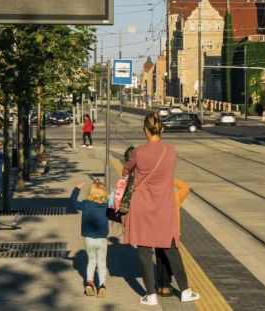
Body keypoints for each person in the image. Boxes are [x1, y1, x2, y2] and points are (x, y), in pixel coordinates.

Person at [122, 112, 199, 306]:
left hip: (142, 206)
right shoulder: (171, 150)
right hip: (164, 207)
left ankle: (151, 294)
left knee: (144, 250)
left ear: (145, 130)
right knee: (171, 249)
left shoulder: (138, 152)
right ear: (162, 129)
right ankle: (186, 291)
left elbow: (126, 171)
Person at [70, 180, 109, 298]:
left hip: (89, 239)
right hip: (102, 239)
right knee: (102, 263)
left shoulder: (86, 204)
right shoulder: (106, 206)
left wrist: (77, 188)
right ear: (104, 193)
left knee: (91, 261)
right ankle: (102, 285)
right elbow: (118, 207)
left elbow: (72, 201)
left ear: (91, 193)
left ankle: (89, 283)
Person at [156, 178, 191, 297]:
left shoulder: (155, 197)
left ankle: (161, 286)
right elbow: (186, 188)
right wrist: (171, 179)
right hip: (170, 232)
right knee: (171, 259)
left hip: (156, 232)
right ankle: (168, 287)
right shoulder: (176, 197)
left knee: (160, 257)